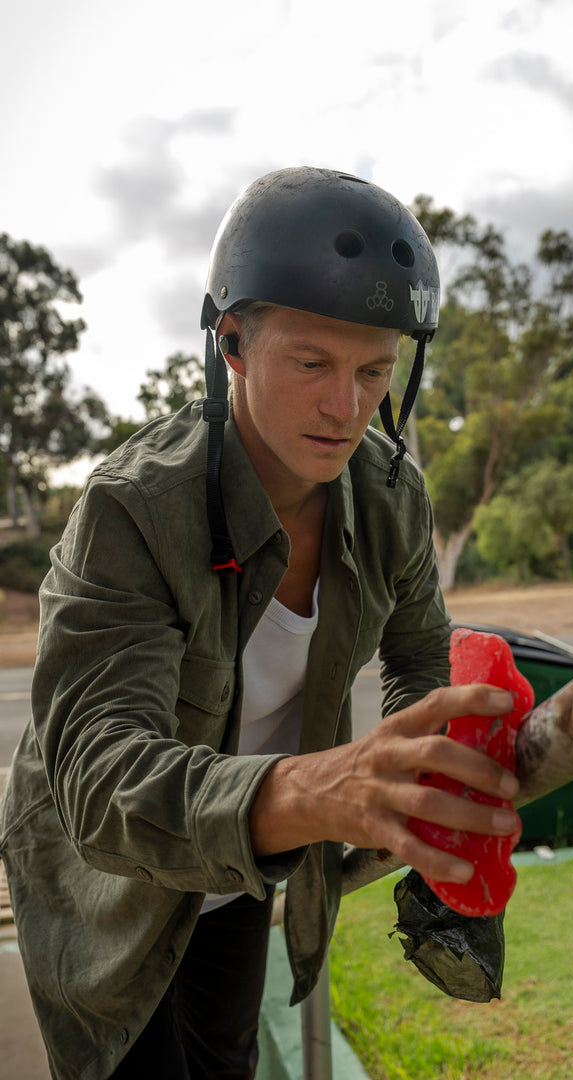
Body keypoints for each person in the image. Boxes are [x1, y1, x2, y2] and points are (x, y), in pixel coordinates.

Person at [0, 167, 520, 1080]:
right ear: (232, 343)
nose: (346, 407)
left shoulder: (390, 493)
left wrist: (437, 771)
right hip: (107, 882)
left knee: (226, 1057)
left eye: (373, 371)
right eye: (312, 363)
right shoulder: (134, 509)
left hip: (248, 855)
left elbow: (416, 651)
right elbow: (99, 779)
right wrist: (323, 789)